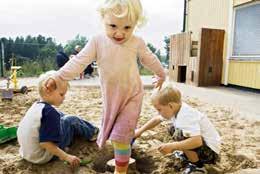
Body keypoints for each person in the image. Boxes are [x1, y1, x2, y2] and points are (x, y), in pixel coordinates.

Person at [46, 0, 166, 173]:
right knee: (116, 136)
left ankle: (120, 171)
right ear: (103, 19)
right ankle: (123, 155)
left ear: (135, 25)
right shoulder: (97, 41)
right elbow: (79, 62)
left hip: (132, 95)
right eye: (113, 26)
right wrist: (58, 76)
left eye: (127, 27)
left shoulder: (136, 42)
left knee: (121, 137)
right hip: (112, 99)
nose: (119, 33)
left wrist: (161, 74)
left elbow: (150, 58)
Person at [17, 71, 99, 168]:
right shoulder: (50, 113)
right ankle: (93, 132)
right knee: (71, 120)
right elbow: (45, 143)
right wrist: (67, 157)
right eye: (61, 94)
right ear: (48, 90)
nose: (64, 98)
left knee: (59, 115)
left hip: (27, 153)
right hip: (43, 156)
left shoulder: (36, 107)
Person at [134, 83, 221, 174]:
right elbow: (157, 119)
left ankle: (197, 166)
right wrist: (140, 131)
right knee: (173, 129)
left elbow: (196, 141)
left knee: (180, 134)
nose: (159, 113)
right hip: (202, 147)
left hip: (210, 154)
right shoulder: (176, 109)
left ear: (170, 105)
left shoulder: (185, 116)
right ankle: (188, 155)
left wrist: (173, 146)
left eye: (159, 109)